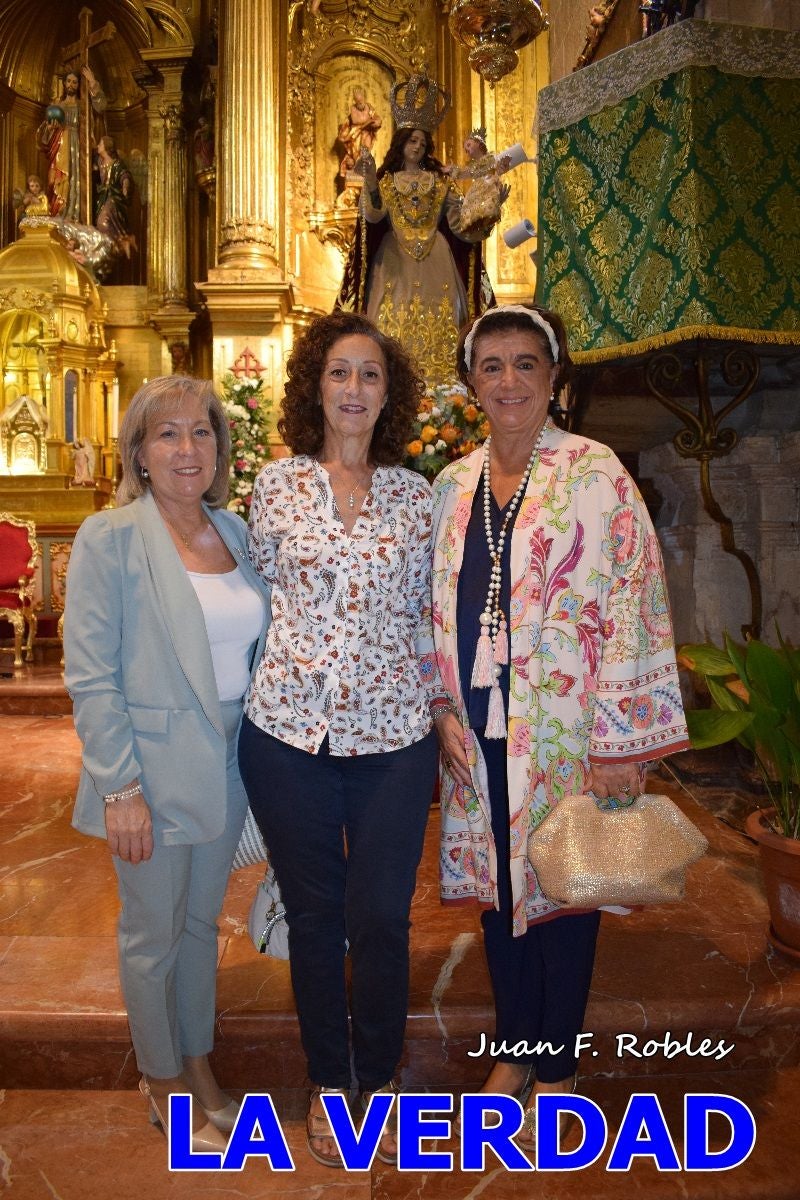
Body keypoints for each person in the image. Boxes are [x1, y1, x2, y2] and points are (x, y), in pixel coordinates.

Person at [427, 304, 690, 1148]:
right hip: (477, 722)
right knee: (499, 890)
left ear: (554, 378)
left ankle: (554, 1063)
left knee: (563, 886)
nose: (509, 381)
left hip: (569, 726)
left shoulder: (597, 473)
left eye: (526, 365)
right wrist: (438, 706)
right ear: (473, 381)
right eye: (492, 366)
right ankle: (514, 1045)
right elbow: (424, 607)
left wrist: (621, 741)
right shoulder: (452, 483)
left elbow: (637, 602)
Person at [238, 310, 445, 1168]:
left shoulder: (416, 494)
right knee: (317, 918)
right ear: (313, 386)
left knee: (383, 919)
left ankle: (383, 1077)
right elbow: (255, 603)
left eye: (369, 375)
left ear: (387, 393)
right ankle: (331, 1082)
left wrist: (447, 715)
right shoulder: (275, 485)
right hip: (288, 736)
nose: (353, 390)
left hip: (395, 738)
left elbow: (431, 617)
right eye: (338, 373)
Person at [63, 375, 270, 1153]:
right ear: (140, 454)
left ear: (220, 447)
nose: (189, 449)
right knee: (152, 932)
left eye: (202, 432)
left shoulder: (238, 533)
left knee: (197, 924)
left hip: (229, 761)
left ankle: (198, 1060)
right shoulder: (111, 537)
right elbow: (90, 673)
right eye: (167, 434)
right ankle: (161, 1075)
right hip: (147, 766)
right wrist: (121, 787)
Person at [337, 74, 494, 384]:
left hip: (437, 259)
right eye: (413, 140)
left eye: (423, 142)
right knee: (389, 321)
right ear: (402, 142)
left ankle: (446, 392)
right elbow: (373, 215)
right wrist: (368, 180)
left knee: (446, 321)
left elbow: (459, 223)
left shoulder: (439, 183)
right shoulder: (385, 181)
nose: (418, 146)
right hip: (394, 262)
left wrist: (484, 214)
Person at [38, 66, 107, 220]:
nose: (71, 85)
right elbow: (44, 139)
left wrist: (92, 82)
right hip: (60, 147)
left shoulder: (83, 105)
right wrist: (49, 129)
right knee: (58, 181)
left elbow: (101, 107)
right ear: (64, 83)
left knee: (78, 180)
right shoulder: (57, 106)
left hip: (80, 147)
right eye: (68, 81)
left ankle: (76, 216)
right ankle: (59, 213)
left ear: (78, 85)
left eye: (75, 82)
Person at [94, 135, 135, 256]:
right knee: (99, 223)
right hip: (102, 198)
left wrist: (125, 186)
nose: (98, 146)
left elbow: (125, 175)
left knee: (103, 222)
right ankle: (115, 244)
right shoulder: (100, 162)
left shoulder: (116, 164)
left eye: (100, 144)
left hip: (113, 196)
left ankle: (118, 243)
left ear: (106, 147)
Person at [336, 86, 382, 182]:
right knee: (355, 152)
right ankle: (356, 169)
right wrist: (367, 122)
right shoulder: (353, 110)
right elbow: (352, 122)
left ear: (364, 98)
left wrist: (376, 122)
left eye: (361, 101)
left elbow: (377, 118)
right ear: (355, 101)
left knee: (365, 151)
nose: (360, 103)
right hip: (355, 135)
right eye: (358, 101)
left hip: (367, 134)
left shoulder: (369, 107)